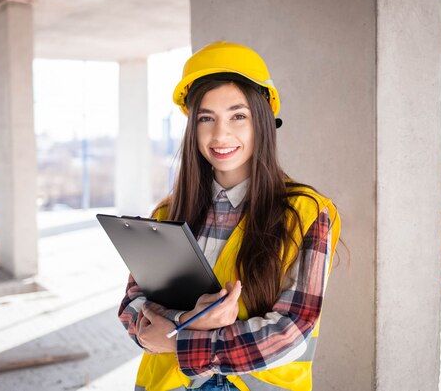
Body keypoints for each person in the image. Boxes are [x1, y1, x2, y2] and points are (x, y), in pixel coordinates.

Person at [118, 41, 341, 391]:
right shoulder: (167, 213)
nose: (221, 134)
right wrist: (189, 320)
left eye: (238, 116)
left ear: (263, 122)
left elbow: (293, 330)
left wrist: (179, 339)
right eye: (206, 118)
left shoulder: (305, 213)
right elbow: (132, 305)